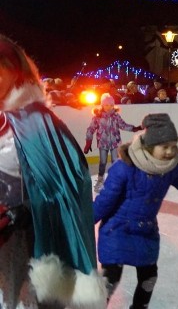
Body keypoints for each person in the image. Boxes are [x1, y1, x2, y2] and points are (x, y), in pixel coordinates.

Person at [0, 34, 107, 308]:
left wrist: (22, 211)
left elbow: (65, 186)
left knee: (25, 298)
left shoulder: (37, 123)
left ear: (17, 72)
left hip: (24, 241)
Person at [93, 113, 178, 308]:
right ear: (149, 146)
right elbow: (105, 201)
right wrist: (84, 222)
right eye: (164, 147)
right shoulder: (125, 168)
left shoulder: (171, 168)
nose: (169, 152)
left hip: (146, 231)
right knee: (110, 279)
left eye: (173, 146)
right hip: (117, 230)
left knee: (149, 278)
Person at [84, 93, 142, 192]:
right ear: (102, 105)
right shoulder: (97, 117)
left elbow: (123, 125)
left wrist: (135, 128)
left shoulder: (115, 116)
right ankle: (100, 180)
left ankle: (115, 181)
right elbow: (91, 129)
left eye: (111, 105)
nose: (109, 107)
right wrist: (88, 141)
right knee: (102, 162)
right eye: (106, 105)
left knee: (115, 162)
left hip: (115, 142)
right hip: (103, 143)